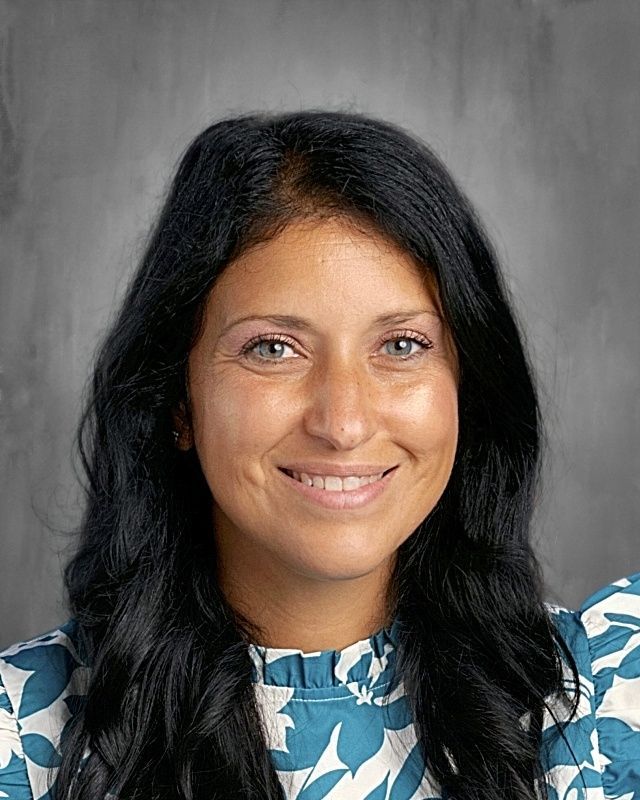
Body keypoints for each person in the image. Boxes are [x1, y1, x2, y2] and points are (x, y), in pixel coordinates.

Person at [0, 110, 638, 800]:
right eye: (273, 348)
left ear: (467, 387)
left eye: (401, 346)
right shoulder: (20, 734)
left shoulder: (607, 700)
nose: (344, 422)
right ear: (177, 402)